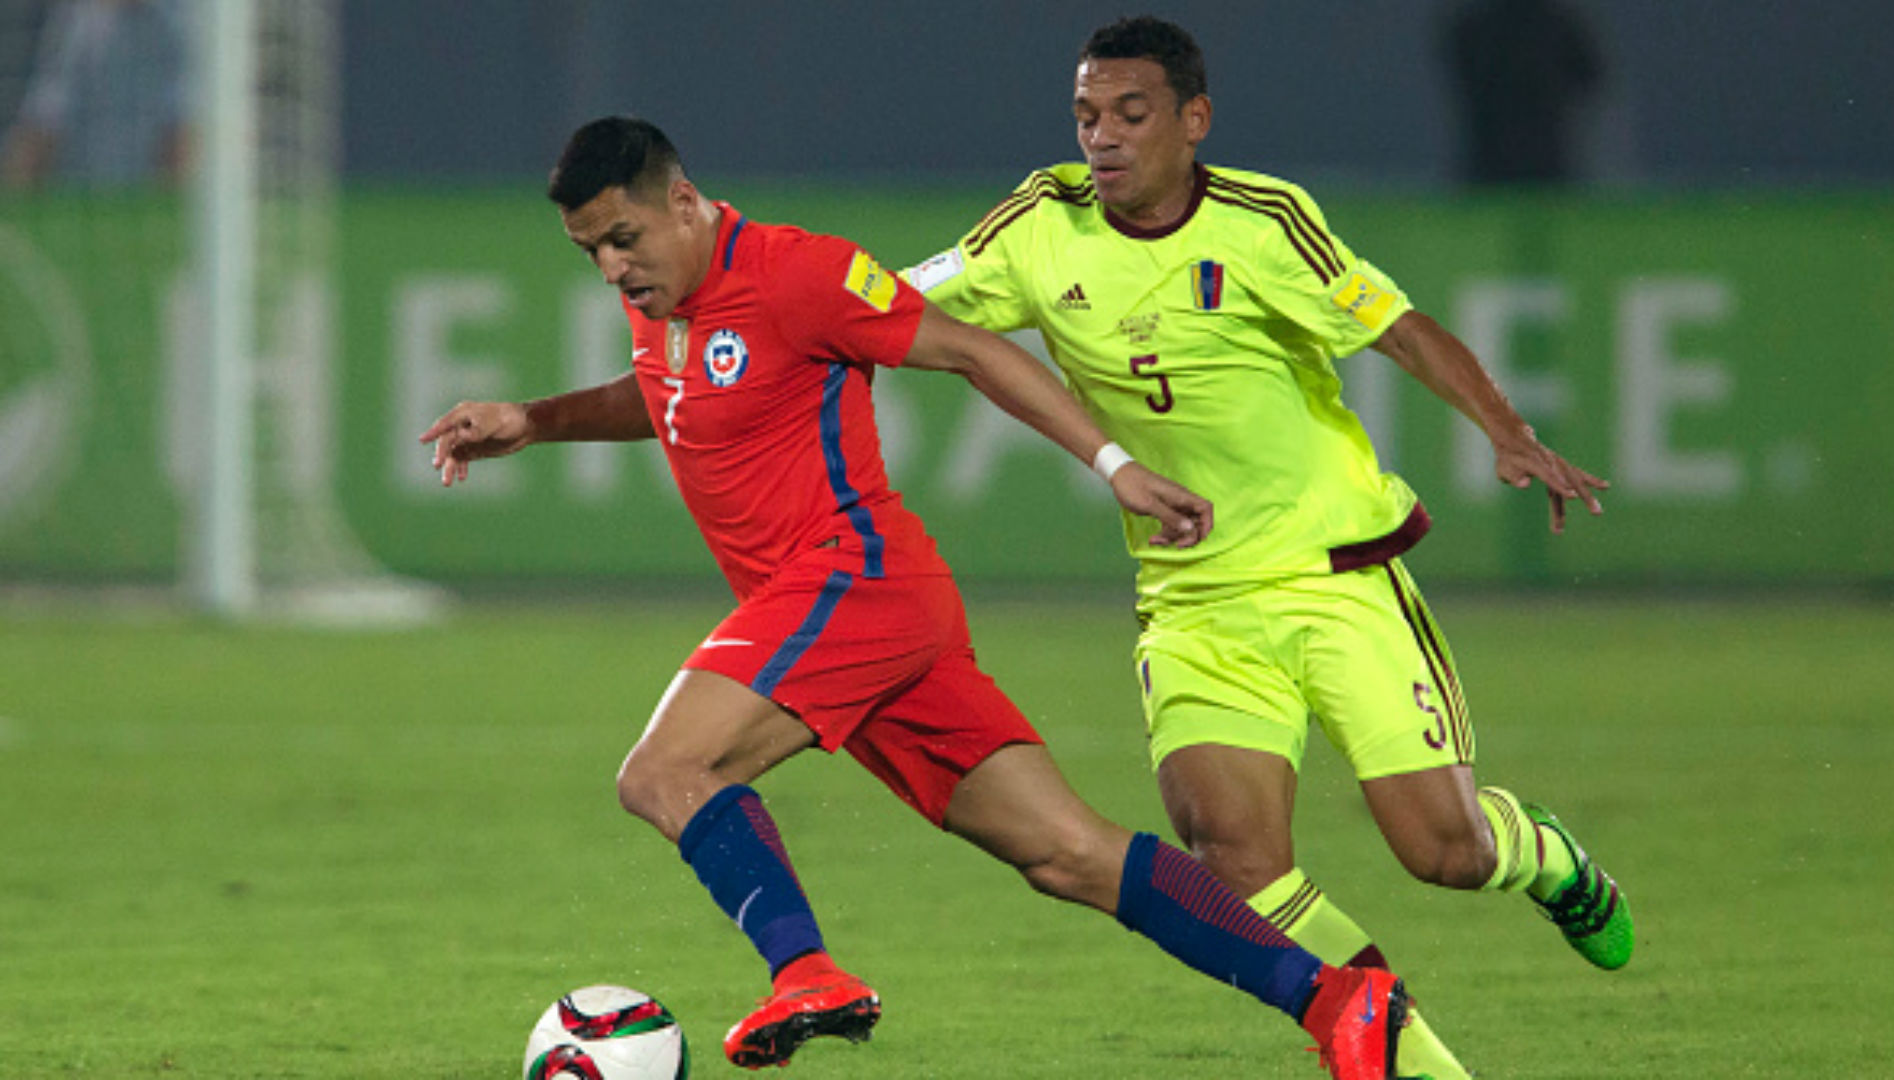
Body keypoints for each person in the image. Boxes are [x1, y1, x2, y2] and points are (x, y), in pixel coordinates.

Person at [421, 116, 1407, 1078]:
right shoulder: (664, 298)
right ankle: (1335, 1002)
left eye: (622, 240)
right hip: (859, 619)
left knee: (662, 771)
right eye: (590, 251)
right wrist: (535, 420)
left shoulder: (797, 272)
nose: (611, 270)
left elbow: (975, 351)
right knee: (1068, 853)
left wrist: (1114, 465)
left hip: (854, 579)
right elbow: (676, 389)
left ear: (683, 201)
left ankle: (806, 972)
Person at [907, 16, 1632, 1079]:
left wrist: (1505, 430)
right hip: (1195, 597)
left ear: (1193, 121)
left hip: (1335, 576)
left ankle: (1544, 857)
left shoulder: (1264, 223)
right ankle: (1417, 1065)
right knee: (1235, 866)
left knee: (1445, 852)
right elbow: (889, 303)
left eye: (1131, 114)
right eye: (1086, 116)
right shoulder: (1040, 222)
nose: (1101, 137)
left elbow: (1398, 326)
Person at [0, 0, 191, 189]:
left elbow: (180, 128)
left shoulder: (173, 24)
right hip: (78, 196)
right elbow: (43, 122)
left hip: (147, 196)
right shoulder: (77, 23)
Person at [1443, 0, 1605, 187]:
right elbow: (1590, 76)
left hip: (1493, 149)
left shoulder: (1474, 26)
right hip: (1540, 148)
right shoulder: (1559, 25)